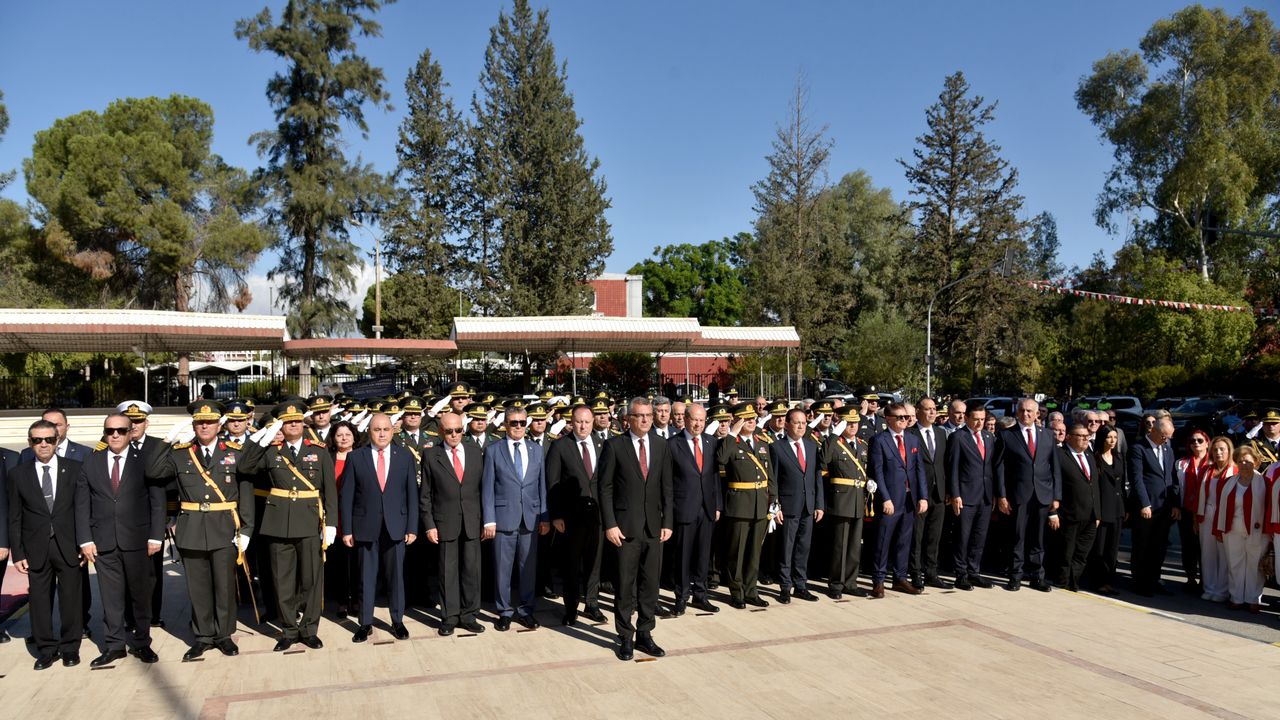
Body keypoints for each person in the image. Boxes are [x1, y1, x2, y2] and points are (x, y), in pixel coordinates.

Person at [146, 401, 255, 661]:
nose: (204, 426)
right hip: (191, 527)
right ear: (194, 425)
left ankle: (224, 635)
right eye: (199, 422)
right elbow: (152, 471)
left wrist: (247, 527)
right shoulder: (180, 452)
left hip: (225, 526)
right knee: (198, 587)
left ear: (220, 425)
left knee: (224, 586)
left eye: (209, 422)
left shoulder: (235, 451)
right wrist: (167, 440)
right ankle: (203, 636)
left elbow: (246, 490)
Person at [242, 400, 337, 651]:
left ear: (303, 423)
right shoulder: (271, 449)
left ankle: (309, 629)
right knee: (282, 581)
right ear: (281, 425)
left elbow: (329, 491)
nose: (293, 424)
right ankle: (288, 630)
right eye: (287, 421)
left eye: (297, 420)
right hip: (278, 524)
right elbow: (245, 466)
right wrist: (263, 438)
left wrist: (331, 524)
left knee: (311, 580)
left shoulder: (318, 449)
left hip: (308, 521)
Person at [76, 413, 165, 667]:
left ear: (130, 432)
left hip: (138, 540)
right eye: (110, 430)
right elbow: (82, 504)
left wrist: (156, 536)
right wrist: (85, 540)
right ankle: (114, 645)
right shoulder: (90, 462)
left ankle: (142, 643)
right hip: (103, 542)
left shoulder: (145, 461)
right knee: (111, 598)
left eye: (121, 430)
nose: (115, 435)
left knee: (140, 596)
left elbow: (157, 503)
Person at [599, 397, 673, 661]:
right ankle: (625, 637)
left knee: (650, 585)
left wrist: (668, 523)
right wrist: (610, 524)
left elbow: (667, 487)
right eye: (640, 416)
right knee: (625, 586)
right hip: (625, 529)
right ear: (628, 418)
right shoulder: (614, 446)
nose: (645, 420)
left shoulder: (661, 445)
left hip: (654, 528)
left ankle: (645, 633)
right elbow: (604, 488)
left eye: (649, 416)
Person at [9, 419, 84, 669]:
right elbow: (15, 516)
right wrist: (18, 552)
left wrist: (84, 543)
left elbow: (83, 510)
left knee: (71, 599)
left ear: (57, 440)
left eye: (49, 439)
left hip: (69, 545)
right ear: (30, 442)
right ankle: (46, 649)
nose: (43, 444)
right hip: (35, 548)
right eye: (37, 440)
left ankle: (70, 647)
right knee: (40, 602)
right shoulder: (18, 474)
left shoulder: (75, 469)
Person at [338, 413, 418, 642]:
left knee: (396, 578)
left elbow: (412, 494)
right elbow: (347, 496)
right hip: (365, 526)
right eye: (376, 429)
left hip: (396, 526)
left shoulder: (404, 456)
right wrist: (347, 530)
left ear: (392, 431)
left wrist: (412, 526)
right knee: (366, 577)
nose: (381, 434)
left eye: (385, 429)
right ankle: (365, 623)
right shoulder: (356, 457)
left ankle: (397, 620)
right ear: (369, 432)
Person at [482, 406, 549, 631]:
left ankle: (526, 609)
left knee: (528, 568)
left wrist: (545, 516)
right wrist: (489, 519)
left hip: (531, 518)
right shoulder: (493, 450)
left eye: (522, 422)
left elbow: (542, 487)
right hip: (503, 518)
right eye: (514, 422)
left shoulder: (536, 450)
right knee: (503, 568)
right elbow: (487, 488)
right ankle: (504, 611)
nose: (518, 426)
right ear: (505, 425)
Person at [420, 411, 485, 636]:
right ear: (441, 432)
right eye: (449, 431)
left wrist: (486, 521)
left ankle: (469, 615)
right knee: (447, 572)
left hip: (472, 521)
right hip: (444, 521)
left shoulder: (476, 453)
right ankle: (449, 616)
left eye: (459, 430)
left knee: (471, 570)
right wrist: (429, 524)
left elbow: (483, 490)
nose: (455, 435)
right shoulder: (431, 455)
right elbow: (425, 494)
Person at [546, 405, 607, 626]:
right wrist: (556, 515)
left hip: (598, 515)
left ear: (593, 423)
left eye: (587, 422)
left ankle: (592, 603)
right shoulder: (560, 446)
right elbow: (552, 483)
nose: (583, 426)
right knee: (572, 564)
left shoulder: (602, 445)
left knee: (594, 562)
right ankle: (570, 608)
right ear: (572, 422)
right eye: (579, 422)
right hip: (571, 518)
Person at [994, 398, 1061, 593]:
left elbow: (1055, 468)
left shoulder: (1048, 435)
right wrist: (1002, 496)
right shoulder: (1007, 435)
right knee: (1018, 536)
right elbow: (999, 468)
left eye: (1030, 411)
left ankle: (1037, 576)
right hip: (1018, 495)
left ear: (1037, 413)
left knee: (1038, 538)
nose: (1026, 414)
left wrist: (1056, 496)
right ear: (1017, 412)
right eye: (1022, 411)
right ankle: (1015, 576)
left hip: (1043, 495)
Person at [716, 402, 776, 609]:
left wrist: (773, 500)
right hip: (740, 505)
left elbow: (770, 475)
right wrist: (732, 433)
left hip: (760, 504)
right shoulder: (730, 442)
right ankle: (736, 591)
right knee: (737, 551)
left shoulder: (761, 442)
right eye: (745, 418)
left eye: (752, 418)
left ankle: (751, 590)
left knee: (753, 552)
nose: (751, 421)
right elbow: (721, 459)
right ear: (737, 421)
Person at [868, 402, 928, 598]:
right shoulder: (879, 440)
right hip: (890, 499)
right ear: (889, 419)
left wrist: (923, 496)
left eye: (906, 417)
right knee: (883, 540)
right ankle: (878, 580)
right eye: (900, 417)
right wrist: (885, 498)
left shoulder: (912, 440)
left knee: (904, 540)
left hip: (910, 499)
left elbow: (919, 470)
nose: (905, 420)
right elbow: (877, 472)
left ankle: (900, 578)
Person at [667, 402, 721, 615]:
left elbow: (714, 476)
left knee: (703, 554)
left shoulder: (711, 442)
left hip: (707, 508)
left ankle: (701, 594)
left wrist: (717, 505)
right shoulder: (672, 444)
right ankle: (681, 597)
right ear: (685, 419)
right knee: (683, 556)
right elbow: (667, 481)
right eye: (694, 419)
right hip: (684, 508)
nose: (698, 424)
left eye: (701, 420)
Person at [769, 408, 823, 602]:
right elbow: (773, 479)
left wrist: (819, 504)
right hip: (788, 506)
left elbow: (816, 477)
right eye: (797, 422)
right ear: (787, 424)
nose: (801, 426)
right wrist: (775, 506)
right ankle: (785, 586)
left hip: (808, 506)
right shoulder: (776, 447)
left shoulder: (810, 446)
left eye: (803, 423)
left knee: (803, 547)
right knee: (786, 548)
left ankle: (801, 585)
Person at [820, 405, 871, 598]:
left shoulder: (863, 445)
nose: (853, 426)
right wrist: (834, 435)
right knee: (839, 545)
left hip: (858, 499)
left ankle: (851, 582)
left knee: (855, 545)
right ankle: (836, 584)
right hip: (840, 500)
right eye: (848, 423)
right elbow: (823, 459)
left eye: (855, 422)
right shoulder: (833, 443)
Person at [946, 405, 996, 590]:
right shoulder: (958, 437)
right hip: (965, 495)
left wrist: (994, 495)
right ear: (967, 418)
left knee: (979, 537)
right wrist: (955, 494)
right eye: (975, 419)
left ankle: (974, 572)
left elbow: (991, 467)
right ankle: (961, 574)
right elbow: (952, 468)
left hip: (985, 495)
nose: (979, 423)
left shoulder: (989, 437)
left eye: (982, 419)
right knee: (963, 537)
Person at [1129, 416, 1179, 596]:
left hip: (1164, 507)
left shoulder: (1167, 449)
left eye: (1170, 437)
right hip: (1147, 507)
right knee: (1143, 544)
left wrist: (1174, 504)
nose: (1167, 439)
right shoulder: (1138, 448)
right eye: (1165, 436)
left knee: (1159, 546)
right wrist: (1144, 504)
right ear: (1154, 431)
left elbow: (1172, 478)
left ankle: (1153, 579)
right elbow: (1137, 479)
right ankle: (1139, 582)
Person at [1213, 445, 1266, 611]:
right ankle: (1236, 597)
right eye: (1241, 461)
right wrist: (1218, 529)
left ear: (1256, 463)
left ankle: (1253, 599)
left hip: (1258, 530)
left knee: (1254, 565)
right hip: (1232, 529)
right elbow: (1220, 508)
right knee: (1234, 562)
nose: (1244, 464)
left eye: (1248, 461)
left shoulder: (1265, 482)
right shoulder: (1230, 482)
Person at [908, 397, 949, 589]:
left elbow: (944, 465)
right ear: (918, 411)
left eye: (934, 409)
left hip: (938, 492)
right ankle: (915, 572)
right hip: (918, 494)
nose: (932, 413)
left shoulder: (941, 434)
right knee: (917, 535)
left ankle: (931, 572)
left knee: (934, 535)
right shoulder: (910, 434)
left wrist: (948, 490)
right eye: (928, 409)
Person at [1054, 424, 1100, 592]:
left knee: (1082, 553)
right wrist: (1054, 511)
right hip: (1070, 513)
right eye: (1080, 436)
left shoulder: (1089, 455)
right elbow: (1054, 483)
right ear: (1069, 437)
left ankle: (1074, 582)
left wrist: (1098, 513)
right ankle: (1062, 582)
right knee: (1066, 552)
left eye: (1087, 436)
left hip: (1090, 515)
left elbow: (1094, 485)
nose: (1085, 439)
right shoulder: (1060, 455)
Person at [326, 420, 361, 618]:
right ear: (333, 438)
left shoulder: (361, 456)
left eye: (347, 434)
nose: (344, 438)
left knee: (356, 561)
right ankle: (341, 601)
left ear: (354, 436)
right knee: (338, 562)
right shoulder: (327, 457)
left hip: (356, 515)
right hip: (335, 514)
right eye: (339, 435)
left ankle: (356, 600)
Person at [1087, 425, 1126, 596]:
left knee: (1112, 549)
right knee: (1099, 548)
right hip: (1102, 509)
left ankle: (1110, 581)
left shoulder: (1119, 458)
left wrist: (1126, 508)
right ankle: (1099, 581)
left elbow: (1123, 485)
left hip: (1118, 509)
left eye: (1115, 438)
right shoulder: (1094, 459)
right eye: (1109, 437)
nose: (1112, 441)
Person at [1197, 436, 1235, 603]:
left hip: (1226, 517)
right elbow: (1200, 496)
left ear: (1229, 451)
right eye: (1215, 449)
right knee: (1207, 553)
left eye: (1222, 449)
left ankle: (1222, 590)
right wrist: (1195, 519)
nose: (1218, 452)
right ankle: (1209, 587)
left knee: (1224, 554)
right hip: (1207, 515)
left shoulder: (1235, 470)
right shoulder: (1207, 470)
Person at [1174, 430, 1210, 593]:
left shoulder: (1214, 463)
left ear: (1207, 443)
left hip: (1207, 512)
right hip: (1187, 511)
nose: (1196, 443)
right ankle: (1190, 578)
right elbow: (1176, 488)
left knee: (1206, 547)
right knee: (1188, 546)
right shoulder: (1181, 463)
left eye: (1200, 440)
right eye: (1193, 440)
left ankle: (1206, 579)